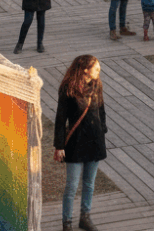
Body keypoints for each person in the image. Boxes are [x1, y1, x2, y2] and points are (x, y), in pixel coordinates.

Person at [54, 55, 107, 231]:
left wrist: (102, 130)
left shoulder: (97, 84)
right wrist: (59, 146)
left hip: (95, 140)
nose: (99, 71)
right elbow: (60, 119)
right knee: (72, 186)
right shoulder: (68, 88)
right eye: (96, 68)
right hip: (76, 143)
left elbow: (101, 109)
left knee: (89, 183)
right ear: (85, 69)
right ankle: (67, 223)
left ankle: (85, 217)